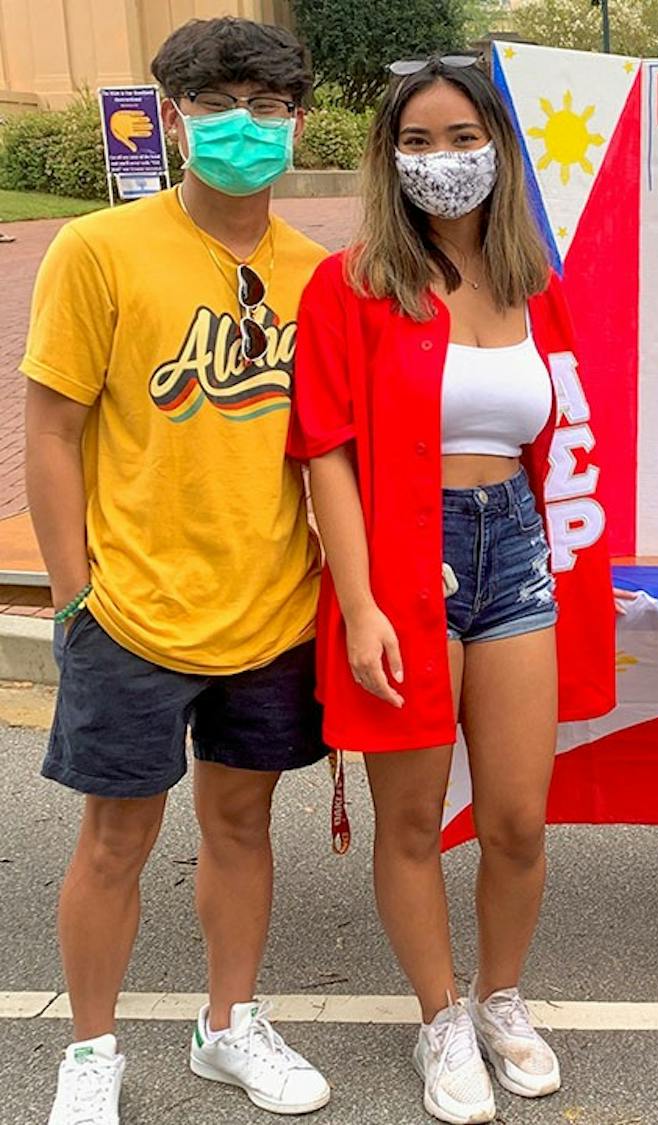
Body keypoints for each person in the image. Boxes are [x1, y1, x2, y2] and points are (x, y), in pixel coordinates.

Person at [287, 55, 613, 1123]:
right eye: (416, 143)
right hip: (403, 555)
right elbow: (323, 448)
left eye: (462, 139)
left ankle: (500, 999)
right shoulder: (353, 283)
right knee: (415, 819)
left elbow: (556, 444)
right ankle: (438, 1017)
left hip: (513, 552)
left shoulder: (533, 283)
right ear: (389, 158)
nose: (441, 162)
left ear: (499, 149)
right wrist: (366, 596)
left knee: (518, 816)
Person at [23, 18, 333, 1124]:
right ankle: (91, 1053)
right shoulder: (99, 251)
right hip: (133, 610)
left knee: (242, 827)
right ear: (171, 116)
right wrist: (75, 594)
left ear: (299, 121)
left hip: (271, 607)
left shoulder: (317, 275)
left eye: (266, 105)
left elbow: (330, 452)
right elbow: (53, 429)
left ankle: (227, 1024)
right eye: (216, 104)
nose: (242, 126)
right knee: (115, 839)